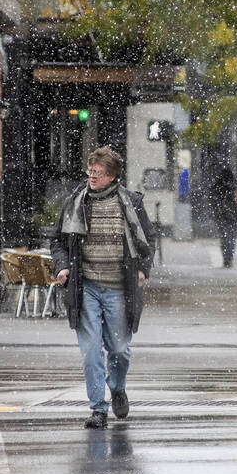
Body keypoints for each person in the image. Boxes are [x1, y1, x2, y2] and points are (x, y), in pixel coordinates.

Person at [52, 146, 156, 429]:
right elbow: (58, 241)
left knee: (120, 349)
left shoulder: (130, 203)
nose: (92, 176)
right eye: (90, 171)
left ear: (112, 177)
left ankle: (118, 388)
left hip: (119, 288)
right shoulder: (76, 201)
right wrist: (62, 266)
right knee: (90, 351)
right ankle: (98, 408)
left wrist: (143, 270)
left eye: (98, 173)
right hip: (86, 288)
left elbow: (148, 239)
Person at [211, 165, 237, 268]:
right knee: (231, 238)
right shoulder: (234, 187)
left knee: (224, 238)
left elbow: (213, 200)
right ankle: (229, 258)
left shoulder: (218, 187)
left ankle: (226, 258)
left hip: (222, 216)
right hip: (233, 216)